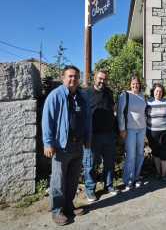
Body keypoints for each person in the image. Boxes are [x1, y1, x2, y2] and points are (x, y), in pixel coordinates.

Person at [42, 65, 91, 226]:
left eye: (76, 76)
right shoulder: (55, 96)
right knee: (58, 180)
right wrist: (48, 143)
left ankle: (69, 206)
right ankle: (57, 211)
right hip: (60, 146)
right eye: (70, 76)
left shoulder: (82, 97)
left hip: (78, 145)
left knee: (72, 179)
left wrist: (88, 138)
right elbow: (47, 121)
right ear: (63, 78)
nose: (73, 79)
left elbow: (87, 120)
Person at [83, 70, 117, 203]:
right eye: (100, 79)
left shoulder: (109, 92)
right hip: (93, 136)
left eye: (104, 79)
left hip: (109, 134)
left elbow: (113, 109)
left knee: (109, 163)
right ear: (94, 78)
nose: (102, 81)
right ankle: (90, 190)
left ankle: (108, 185)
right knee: (90, 164)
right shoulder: (86, 93)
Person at [117, 76, 147, 191]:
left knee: (140, 154)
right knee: (131, 155)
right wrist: (122, 129)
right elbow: (120, 113)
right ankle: (128, 180)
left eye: (137, 83)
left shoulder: (142, 95)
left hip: (142, 129)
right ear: (130, 84)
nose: (136, 85)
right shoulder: (125, 95)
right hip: (130, 129)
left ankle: (136, 177)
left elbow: (144, 112)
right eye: (133, 83)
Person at [146, 83, 166, 182]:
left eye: (160, 91)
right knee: (156, 152)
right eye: (156, 91)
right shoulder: (148, 102)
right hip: (152, 131)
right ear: (153, 92)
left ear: (163, 92)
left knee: (164, 152)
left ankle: (164, 174)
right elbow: (144, 116)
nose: (158, 93)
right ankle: (158, 172)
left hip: (165, 131)